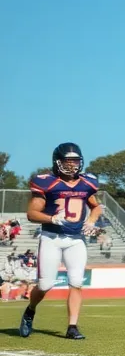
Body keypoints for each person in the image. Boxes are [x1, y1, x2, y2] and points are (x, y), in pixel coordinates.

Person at [18, 143, 100, 340]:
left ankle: (73, 327)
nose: (72, 166)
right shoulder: (47, 182)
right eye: (67, 161)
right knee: (45, 285)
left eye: (75, 161)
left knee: (76, 282)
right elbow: (31, 213)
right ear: (58, 162)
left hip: (76, 240)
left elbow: (96, 207)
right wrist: (51, 218)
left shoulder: (87, 183)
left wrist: (90, 221)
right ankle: (30, 310)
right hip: (51, 238)